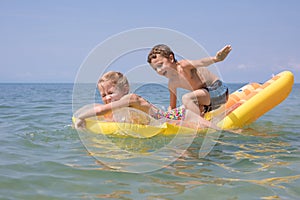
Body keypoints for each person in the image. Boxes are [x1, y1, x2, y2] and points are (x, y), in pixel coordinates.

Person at [74, 71, 220, 131]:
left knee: (215, 131)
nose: (107, 98)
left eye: (110, 93)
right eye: (103, 95)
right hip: (167, 118)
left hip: (177, 117)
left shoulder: (130, 99)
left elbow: (101, 110)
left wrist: (80, 118)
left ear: (125, 89)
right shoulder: (118, 108)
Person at [147, 44, 231, 117]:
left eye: (160, 65)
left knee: (187, 98)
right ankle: (201, 122)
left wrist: (216, 58)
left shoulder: (183, 66)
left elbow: (201, 62)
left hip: (219, 91)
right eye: (155, 69)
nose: (159, 70)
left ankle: (201, 125)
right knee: (185, 109)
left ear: (171, 58)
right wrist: (167, 117)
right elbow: (172, 107)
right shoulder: (172, 83)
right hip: (208, 101)